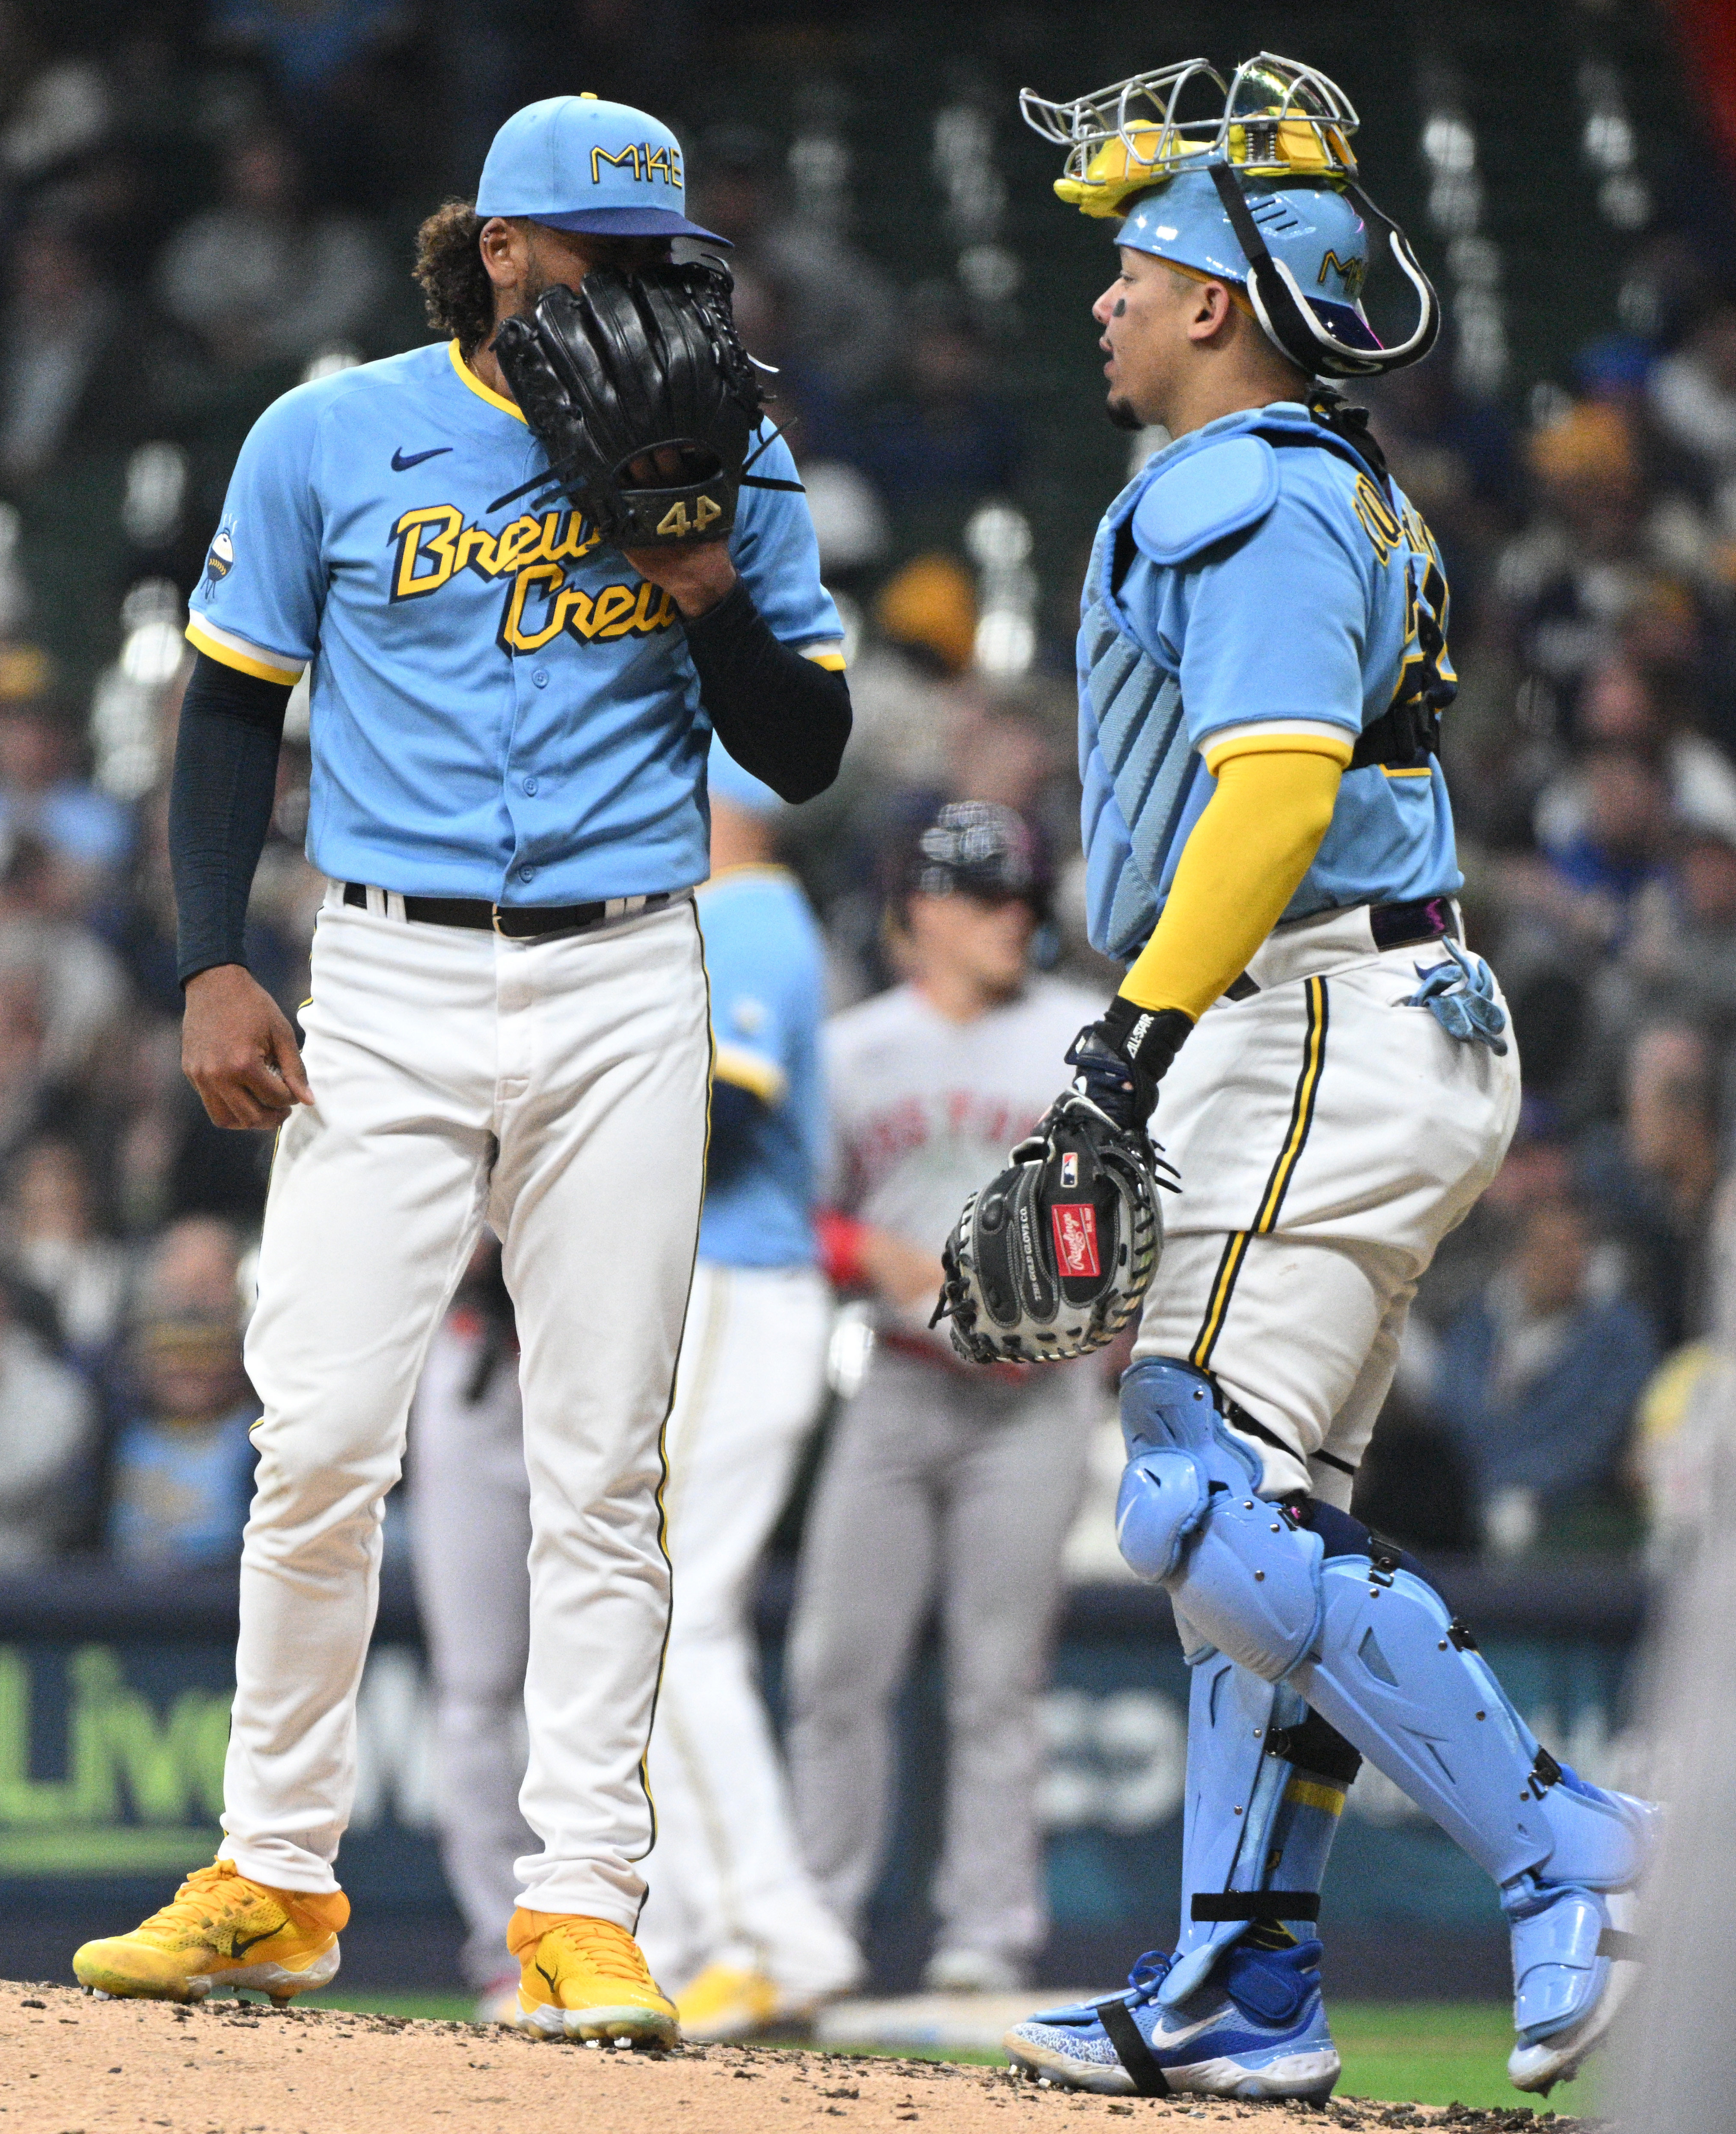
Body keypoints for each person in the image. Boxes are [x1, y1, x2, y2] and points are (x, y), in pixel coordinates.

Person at [71, 93, 849, 2046]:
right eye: (614, 260)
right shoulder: (333, 431)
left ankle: (581, 1902)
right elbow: (233, 703)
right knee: (320, 1432)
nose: (657, 300)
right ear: (501, 250)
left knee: (603, 1466)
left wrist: (701, 580)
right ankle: (275, 1869)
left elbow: (807, 747)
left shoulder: (725, 439)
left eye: (678, 265)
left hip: (624, 976)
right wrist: (209, 958)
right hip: (389, 969)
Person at [997, 51, 1655, 2103]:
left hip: (1308, 1016)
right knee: (1265, 1529)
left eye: (1131, 266)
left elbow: (1273, 793)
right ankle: (1240, 1974)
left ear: (1215, 302)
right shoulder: (1318, 478)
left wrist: (1127, 1040)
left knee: (1193, 1501)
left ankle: (1573, 1844)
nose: (1099, 298)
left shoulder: (1241, 481)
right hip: (1370, 1016)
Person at [410, 740, 859, 2037]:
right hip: (714, 1290)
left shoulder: (752, 912)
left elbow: (720, 1103)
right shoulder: (725, 914)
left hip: (733, 1281)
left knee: (664, 1613)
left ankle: (771, 1927)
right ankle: (702, 1928)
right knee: (654, 1613)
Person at [786, 800, 1102, 1994]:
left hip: (1038, 1394)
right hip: (894, 1378)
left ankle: (987, 1933)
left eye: (1023, 898)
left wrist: (1084, 1304)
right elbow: (791, 1214)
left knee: (997, 1677)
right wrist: (868, 1252)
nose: (1012, 917)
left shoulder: (1080, 1037)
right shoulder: (856, 1048)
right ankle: (815, 1921)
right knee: (834, 1666)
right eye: (986, 897)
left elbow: (1134, 1219)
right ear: (919, 908)